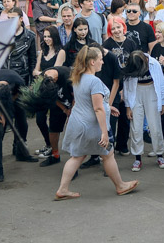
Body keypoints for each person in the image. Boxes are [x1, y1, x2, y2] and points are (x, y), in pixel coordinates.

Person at [54, 46, 140, 199]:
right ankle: (120, 186)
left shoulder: (78, 77)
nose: (102, 62)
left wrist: (108, 107)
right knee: (107, 154)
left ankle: (63, 189)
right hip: (91, 125)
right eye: (100, 59)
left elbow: (88, 102)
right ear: (92, 62)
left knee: (77, 156)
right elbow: (98, 108)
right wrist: (105, 132)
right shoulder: (95, 81)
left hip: (78, 122)